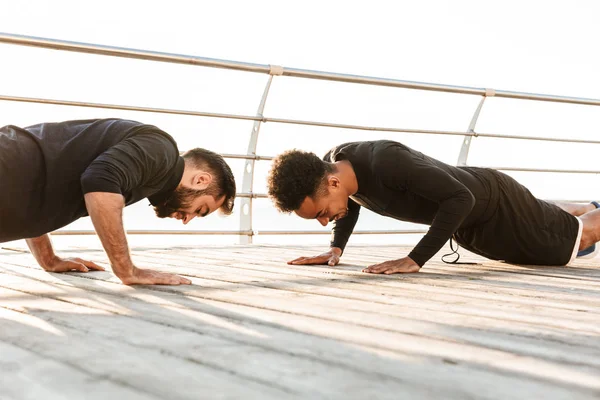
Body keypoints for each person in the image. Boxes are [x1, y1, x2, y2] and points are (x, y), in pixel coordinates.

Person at [267, 140, 600, 274]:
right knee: (550, 220)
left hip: (494, 206)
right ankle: (588, 205)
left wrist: (415, 259)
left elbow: (461, 199)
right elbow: (350, 204)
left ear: (332, 183)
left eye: (322, 212)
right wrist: (335, 248)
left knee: (574, 240)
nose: (325, 221)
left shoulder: (387, 161)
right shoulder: (336, 167)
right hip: (470, 218)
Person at [0, 118, 235, 285]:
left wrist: (48, 259)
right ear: (201, 180)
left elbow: (41, 179)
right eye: (200, 210)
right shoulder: (161, 151)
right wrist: (127, 270)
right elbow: (99, 180)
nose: (188, 219)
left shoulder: (144, 173)